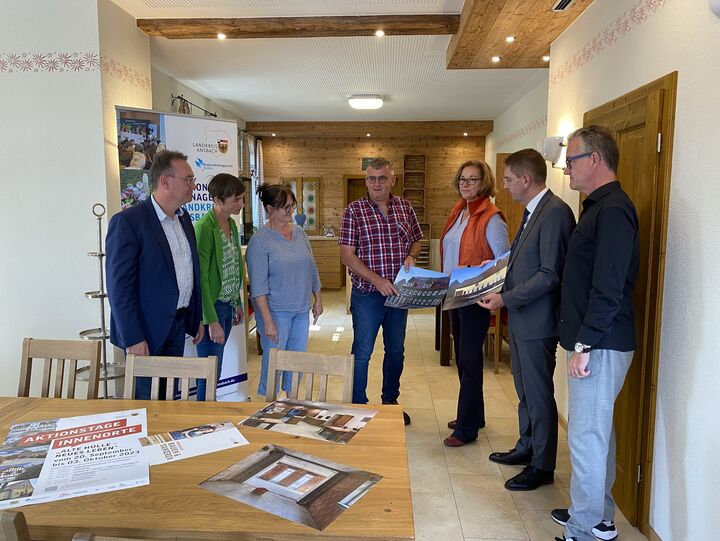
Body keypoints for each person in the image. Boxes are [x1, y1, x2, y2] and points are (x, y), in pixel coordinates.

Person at [550, 126, 639, 541]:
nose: (566, 168)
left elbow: (609, 285)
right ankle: (596, 515)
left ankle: (586, 530)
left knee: (586, 437)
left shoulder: (614, 210)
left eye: (571, 160)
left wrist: (584, 345)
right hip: (596, 341)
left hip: (600, 344)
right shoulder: (597, 206)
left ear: (595, 160)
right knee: (596, 432)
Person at [478, 149, 575, 489]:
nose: (504, 186)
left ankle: (542, 466)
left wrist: (505, 298)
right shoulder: (533, 211)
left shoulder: (555, 214)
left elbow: (550, 274)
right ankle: (527, 446)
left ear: (525, 179)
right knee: (524, 391)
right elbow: (520, 263)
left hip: (538, 322)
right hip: (521, 319)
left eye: (507, 179)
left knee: (538, 394)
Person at [106, 150, 204, 400]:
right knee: (146, 401)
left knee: (168, 397)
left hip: (177, 323)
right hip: (145, 331)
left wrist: (196, 317)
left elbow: (188, 270)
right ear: (165, 181)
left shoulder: (184, 219)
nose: (194, 185)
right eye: (188, 179)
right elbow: (119, 288)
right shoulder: (128, 222)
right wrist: (133, 337)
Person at [339, 158, 423, 425]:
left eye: (382, 178)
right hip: (367, 295)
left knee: (396, 350)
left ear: (392, 180)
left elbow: (417, 240)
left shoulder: (405, 208)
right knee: (362, 351)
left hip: (398, 293)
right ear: (366, 181)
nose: (377, 183)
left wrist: (411, 255)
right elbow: (346, 256)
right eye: (372, 178)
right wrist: (376, 280)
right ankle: (357, 405)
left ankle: (390, 402)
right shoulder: (354, 211)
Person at [440, 159, 509, 446]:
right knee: (465, 359)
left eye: (473, 180)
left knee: (469, 360)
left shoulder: (492, 218)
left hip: (475, 299)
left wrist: (488, 274)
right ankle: (475, 415)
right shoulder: (459, 213)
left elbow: (504, 260)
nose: (466, 184)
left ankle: (466, 429)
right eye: (463, 179)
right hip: (455, 295)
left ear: (484, 183)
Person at [246, 183, 323, 398]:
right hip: (276, 313)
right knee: (274, 362)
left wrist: (317, 297)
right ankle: (268, 404)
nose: (291, 211)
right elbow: (258, 287)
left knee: (296, 360)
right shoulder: (260, 242)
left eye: (292, 206)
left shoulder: (299, 233)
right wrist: (267, 320)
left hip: (301, 309)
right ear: (270, 210)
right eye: (285, 207)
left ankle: (291, 403)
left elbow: (311, 266)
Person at [194, 173, 246, 401]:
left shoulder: (232, 225)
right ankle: (204, 420)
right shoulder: (205, 227)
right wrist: (211, 320)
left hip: (226, 305)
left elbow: (234, 266)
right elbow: (201, 278)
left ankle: (210, 414)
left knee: (218, 366)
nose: (241, 204)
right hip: (211, 308)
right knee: (209, 371)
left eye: (242, 199)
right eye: (236, 200)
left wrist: (237, 301)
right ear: (217, 200)